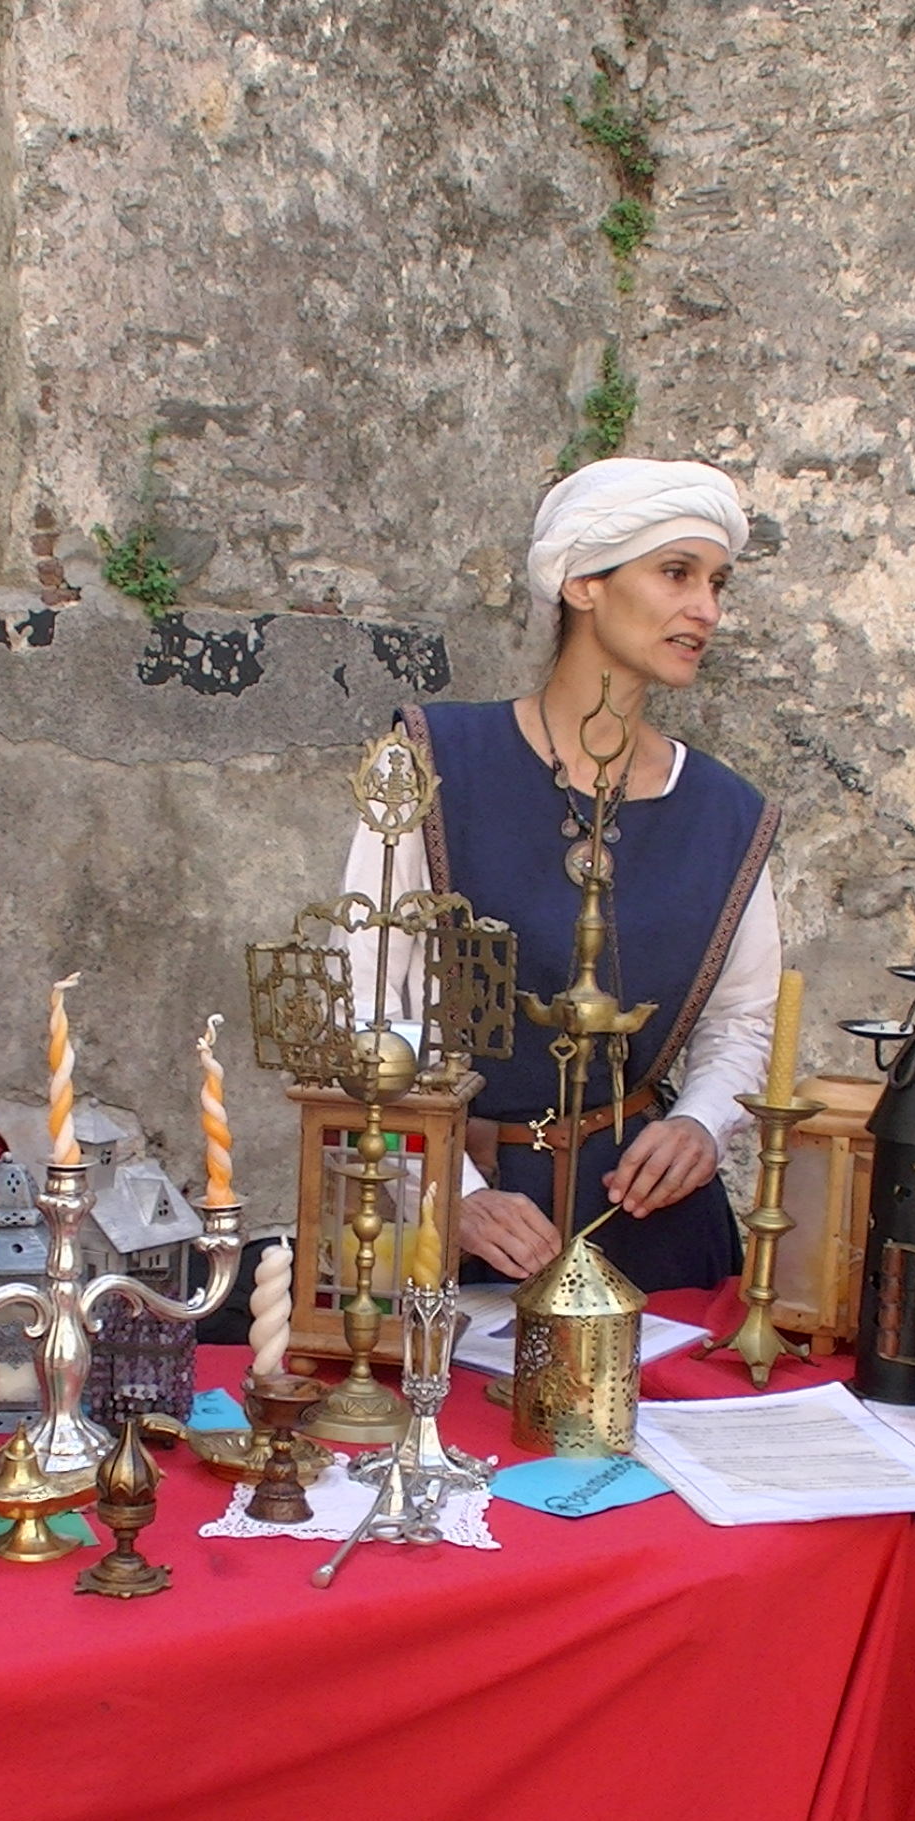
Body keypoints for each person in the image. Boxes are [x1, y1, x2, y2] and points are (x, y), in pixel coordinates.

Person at [350, 457, 780, 1292]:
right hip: (455, 1227)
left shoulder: (727, 813)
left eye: (717, 583)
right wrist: (450, 1191)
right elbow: (366, 1005)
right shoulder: (434, 764)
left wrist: (699, 1124)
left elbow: (744, 1021)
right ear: (585, 583)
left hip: (650, 1229)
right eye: (677, 573)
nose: (707, 609)